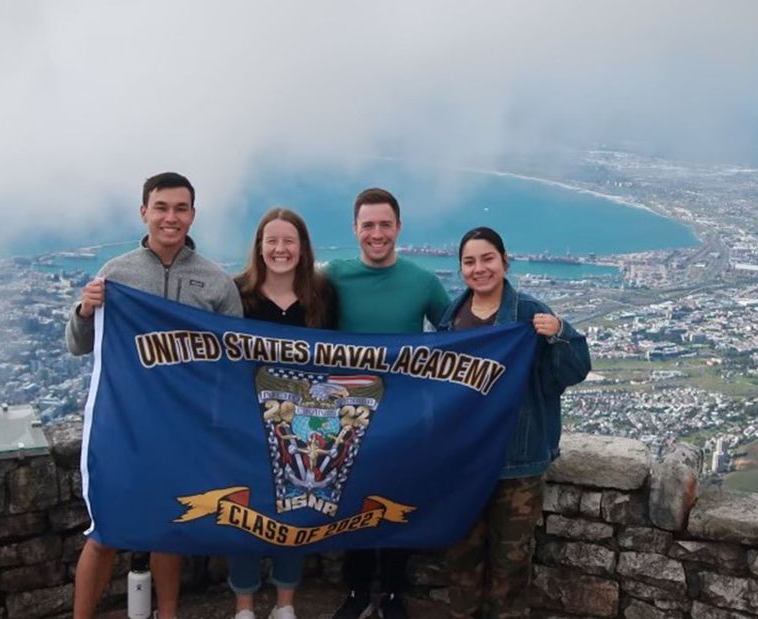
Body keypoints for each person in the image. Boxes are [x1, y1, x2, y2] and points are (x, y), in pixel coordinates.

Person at [66, 172, 243, 619]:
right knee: (105, 528)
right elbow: (78, 344)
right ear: (144, 212)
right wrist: (85, 309)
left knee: (170, 527)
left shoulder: (216, 282)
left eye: (180, 208)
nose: (171, 217)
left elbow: (237, 356)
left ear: (193, 215)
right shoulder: (117, 273)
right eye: (161, 207)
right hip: (123, 425)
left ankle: (168, 614)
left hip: (184, 427)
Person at [437, 226, 590, 619]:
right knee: (461, 559)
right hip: (463, 465)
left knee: (511, 565)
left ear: (505, 262)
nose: (479, 268)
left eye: (487, 259)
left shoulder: (530, 314)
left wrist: (561, 334)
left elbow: (573, 372)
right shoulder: (449, 322)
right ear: (460, 269)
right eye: (469, 262)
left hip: (517, 464)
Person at [326, 187, 450, 619]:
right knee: (351, 502)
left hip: (405, 417)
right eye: (368, 226)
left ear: (398, 228)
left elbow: (463, 337)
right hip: (348, 416)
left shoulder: (423, 281)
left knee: (398, 502)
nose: (376, 234)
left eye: (384, 225)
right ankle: (359, 592)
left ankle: (395, 593)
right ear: (355, 229)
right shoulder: (333, 276)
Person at [227, 207, 338, 619]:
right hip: (247, 423)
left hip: (308, 424)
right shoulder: (236, 294)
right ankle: (244, 605)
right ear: (259, 247)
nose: (280, 248)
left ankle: (285, 603)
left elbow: (340, 358)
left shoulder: (322, 296)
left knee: (298, 505)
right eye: (271, 240)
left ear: (303, 247)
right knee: (248, 512)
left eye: (289, 240)